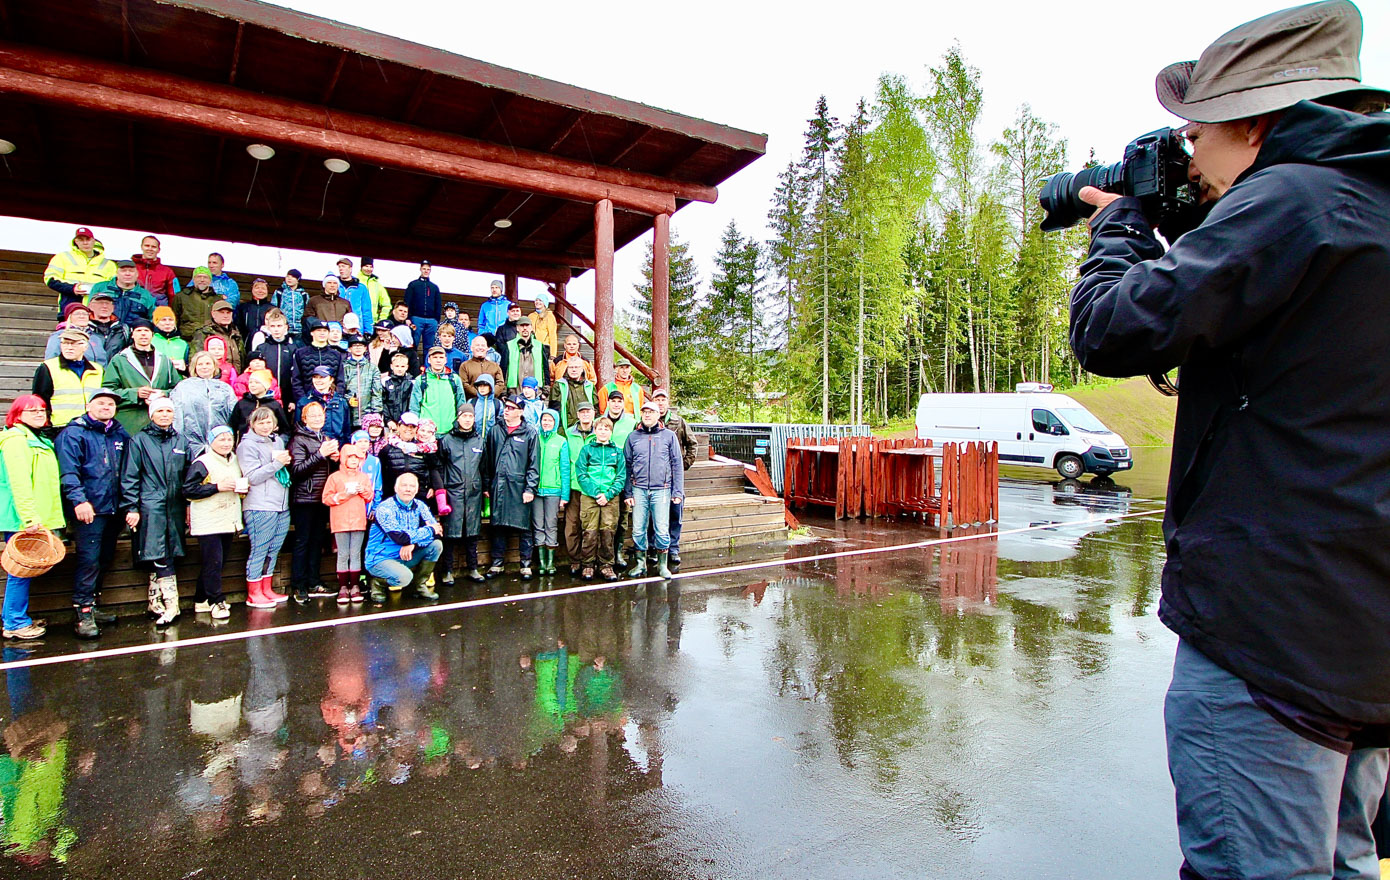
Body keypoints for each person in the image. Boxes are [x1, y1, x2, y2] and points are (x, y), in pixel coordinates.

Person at [1064, 4, 1390, 876]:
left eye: (1196, 129)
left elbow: (1110, 329)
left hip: (1271, 634)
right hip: (1360, 640)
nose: (1190, 155)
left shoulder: (1292, 200)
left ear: (1252, 123)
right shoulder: (1366, 206)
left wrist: (1121, 225)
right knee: (1348, 860)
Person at [55, 389, 129, 638]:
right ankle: (83, 611)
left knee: (105, 557)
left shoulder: (119, 433)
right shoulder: (74, 433)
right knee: (88, 559)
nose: (106, 407)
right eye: (101, 403)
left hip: (114, 508)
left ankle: (93, 604)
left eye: (110, 404)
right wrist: (79, 500)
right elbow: (69, 471)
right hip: (89, 509)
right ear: (89, 406)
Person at [119, 397, 189, 626]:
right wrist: (132, 507)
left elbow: (187, 475)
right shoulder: (139, 440)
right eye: (160, 410)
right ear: (151, 414)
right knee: (158, 552)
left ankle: (155, 601)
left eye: (169, 410)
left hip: (175, 506)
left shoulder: (181, 441)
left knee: (167, 551)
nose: (165, 414)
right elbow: (130, 476)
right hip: (150, 506)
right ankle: (172, 605)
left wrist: (187, 505)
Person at [0, 397, 63, 639]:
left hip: (30, 516)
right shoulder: (16, 440)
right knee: (20, 571)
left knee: (22, 571)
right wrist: (29, 518)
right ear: (17, 414)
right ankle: (15, 623)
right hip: (21, 518)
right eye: (31, 410)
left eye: (42, 410)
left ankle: (15, 617)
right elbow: (20, 482)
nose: (39, 413)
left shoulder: (34, 438)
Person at [182, 424, 242, 621]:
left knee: (218, 562)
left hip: (228, 517)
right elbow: (189, 490)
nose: (226, 443)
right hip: (209, 520)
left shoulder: (234, 461)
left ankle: (201, 599)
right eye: (221, 439)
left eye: (229, 439)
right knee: (213, 562)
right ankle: (217, 600)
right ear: (211, 441)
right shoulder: (202, 462)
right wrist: (216, 487)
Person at [236, 406, 291, 608]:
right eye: (261, 422)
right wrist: (277, 464)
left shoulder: (277, 440)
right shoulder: (246, 446)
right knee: (259, 548)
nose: (266, 426)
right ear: (252, 424)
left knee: (273, 548)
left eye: (269, 422)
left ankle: (266, 588)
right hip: (260, 504)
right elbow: (252, 476)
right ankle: (254, 591)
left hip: (281, 503)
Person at [624, 401, 683, 579]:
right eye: (645, 412)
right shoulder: (633, 437)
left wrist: (677, 492)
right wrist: (628, 492)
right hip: (638, 489)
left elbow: (677, 465)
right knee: (638, 529)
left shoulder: (669, 436)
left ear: (659, 415)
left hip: (662, 490)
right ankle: (640, 563)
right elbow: (626, 465)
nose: (648, 415)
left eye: (651, 412)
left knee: (661, 529)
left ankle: (662, 565)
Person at [289, 400, 340, 605]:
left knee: (317, 541)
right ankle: (298, 585)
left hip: (321, 498)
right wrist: (321, 454)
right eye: (313, 416)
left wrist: (334, 459)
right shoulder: (298, 440)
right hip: (304, 498)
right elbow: (297, 470)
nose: (318, 419)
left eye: (320, 415)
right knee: (303, 541)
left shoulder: (325, 438)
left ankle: (313, 580)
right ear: (305, 418)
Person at [482, 395, 539, 580]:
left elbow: (534, 463)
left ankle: (525, 564)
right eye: (506, 407)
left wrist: (530, 488)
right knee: (498, 525)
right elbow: (487, 460)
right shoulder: (495, 430)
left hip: (520, 485)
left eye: (512, 408)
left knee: (524, 526)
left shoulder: (530, 432)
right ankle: (497, 563)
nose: (507, 410)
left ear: (521, 411)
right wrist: (487, 484)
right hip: (498, 484)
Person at [365, 473, 443, 603]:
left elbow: (437, 532)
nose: (408, 489)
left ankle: (420, 585)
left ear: (417, 489)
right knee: (404, 577)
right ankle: (377, 583)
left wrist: (414, 545)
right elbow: (400, 538)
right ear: (396, 488)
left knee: (436, 545)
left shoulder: (420, 505)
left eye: (412, 486)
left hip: (407, 554)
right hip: (381, 557)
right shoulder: (385, 508)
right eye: (404, 485)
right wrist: (428, 530)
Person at [103, 318, 182, 435]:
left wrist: (163, 394)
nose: (143, 334)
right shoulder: (120, 360)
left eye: (146, 331)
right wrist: (135, 394)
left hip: (160, 422)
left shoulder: (164, 360)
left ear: (152, 335)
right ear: (132, 334)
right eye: (139, 331)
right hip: (130, 421)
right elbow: (108, 391)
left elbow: (178, 389)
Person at [438, 408, 488, 585]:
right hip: (453, 492)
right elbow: (441, 466)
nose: (467, 420)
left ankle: (473, 568)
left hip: (473, 492)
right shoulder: (447, 440)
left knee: (472, 533)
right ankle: (448, 571)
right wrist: (442, 490)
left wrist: (485, 488)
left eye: (470, 416)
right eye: (464, 416)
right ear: (458, 418)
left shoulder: (479, 440)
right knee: (451, 533)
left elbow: (484, 468)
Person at [575, 415, 625, 582]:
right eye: (600, 428)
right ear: (594, 431)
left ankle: (606, 565)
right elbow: (581, 474)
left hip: (610, 497)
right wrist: (596, 493)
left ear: (611, 432)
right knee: (589, 531)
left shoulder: (617, 452)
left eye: (606, 429)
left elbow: (621, 476)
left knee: (608, 531)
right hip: (590, 496)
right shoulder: (587, 450)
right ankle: (587, 564)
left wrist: (608, 494)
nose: (603, 431)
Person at [322, 445, 374, 605]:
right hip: (340, 521)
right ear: (344, 459)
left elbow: (370, 495)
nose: (353, 461)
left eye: (357, 458)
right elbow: (326, 498)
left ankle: (355, 586)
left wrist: (361, 490)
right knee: (343, 554)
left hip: (358, 520)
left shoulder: (364, 477)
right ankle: (343, 587)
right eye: (350, 458)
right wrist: (344, 495)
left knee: (355, 553)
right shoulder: (335, 477)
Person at [654, 388, 697, 570]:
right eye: (657, 399)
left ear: (667, 402)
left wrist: (683, 465)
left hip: (673, 478)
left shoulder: (678, 421)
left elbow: (692, 444)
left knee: (675, 512)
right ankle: (653, 548)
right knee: (653, 515)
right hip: (654, 477)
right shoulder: (646, 422)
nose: (661, 403)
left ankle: (673, 548)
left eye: (663, 399)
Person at [32, 328, 103, 430]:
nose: (69, 347)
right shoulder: (48, 367)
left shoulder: (98, 370)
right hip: (60, 427)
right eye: (64, 343)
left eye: (74, 343)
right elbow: (39, 400)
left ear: (85, 346)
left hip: (93, 426)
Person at [170, 350, 237, 457]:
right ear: (194, 367)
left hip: (220, 442)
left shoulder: (224, 388)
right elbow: (177, 415)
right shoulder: (183, 387)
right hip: (191, 444)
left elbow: (233, 414)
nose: (204, 367)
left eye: (208, 363)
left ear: (214, 366)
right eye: (200, 364)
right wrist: (178, 440)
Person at [531, 409, 570, 577]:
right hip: (536, 489)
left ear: (555, 422)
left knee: (551, 524)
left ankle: (550, 562)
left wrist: (565, 495)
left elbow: (565, 469)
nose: (546, 423)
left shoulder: (561, 441)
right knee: (537, 524)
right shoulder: (535, 439)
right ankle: (541, 562)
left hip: (554, 489)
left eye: (550, 420)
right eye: (544, 420)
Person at [601, 389, 638, 567]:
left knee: (622, 518)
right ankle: (603, 556)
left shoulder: (631, 422)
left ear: (623, 404)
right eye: (613, 401)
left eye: (619, 401)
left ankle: (618, 552)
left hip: (624, 477)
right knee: (605, 521)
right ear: (607, 402)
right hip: (604, 478)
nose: (616, 404)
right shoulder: (600, 422)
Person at [44, 226, 115, 313]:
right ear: (76, 242)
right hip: (69, 306)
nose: (85, 243)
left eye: (88, 239)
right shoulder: (62, 257)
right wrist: (72, 288)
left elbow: (114, 287)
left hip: (97, 311)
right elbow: (50, 280)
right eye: (81, 240)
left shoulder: (109, 264)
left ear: (93, 240)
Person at [563, 401, 596, 575]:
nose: (585, 415)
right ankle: (575, 560)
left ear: (593, 414)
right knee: (572, 527)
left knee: (589, 528)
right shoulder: (568, 434)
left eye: (588, 412)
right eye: (582, 412)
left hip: (591, 488)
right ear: (577, 415)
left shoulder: (599, 433)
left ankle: (588, 562)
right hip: (574, 486)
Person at [410, 347, 467, 435]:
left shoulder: (454, 379)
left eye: (441, 357)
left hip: (450, 430)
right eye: (435, 357)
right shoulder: (421, 380)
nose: (438, 360)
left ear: (445, 360)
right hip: (427, 432)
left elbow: (461, 403)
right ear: (429, 360)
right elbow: (414, 407)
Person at [250, 309, 297, 411]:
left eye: (279, 326)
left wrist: (293, 399)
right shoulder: (262, 348)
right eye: (273, 326)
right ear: (268, 327)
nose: (276, 329)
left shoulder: (292, 348)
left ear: (285, 327)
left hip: (286, 395)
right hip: (266, 394)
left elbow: (295, 375)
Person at [85, 260, 156, 327]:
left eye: (131, 271)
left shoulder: (145, 295)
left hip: (132, 335)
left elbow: (151, 318)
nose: (127, 274)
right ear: (116, 273)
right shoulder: (100, 287)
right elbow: (89, 310)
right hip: (101, 331)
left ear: (137, 274)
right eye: (123, 271)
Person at [291, 318, 345, 401]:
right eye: (319, 330)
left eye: (325, 331)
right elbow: (296, 380)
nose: (322, 333)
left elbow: (340, 380)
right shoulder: (300, 353)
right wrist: (303, 400)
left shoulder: (336, 355)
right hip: (307, 401)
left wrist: (336, 398)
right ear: (312, 333)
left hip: (331, 401)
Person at [380, 412, 431, 500]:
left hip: (419, 497)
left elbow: (433, 470)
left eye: (413, 427)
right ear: (399, 426)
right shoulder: (387, 449)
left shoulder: (424, 449)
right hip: (392, 497)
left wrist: (432, 487)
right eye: (406, 425)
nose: (409, 429)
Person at [229, 369, 290, 440]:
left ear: (266, 385)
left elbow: (285, 430)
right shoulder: (242, 403)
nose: (252, 385)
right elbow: (233, 426)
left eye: (257, 383)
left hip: (268, 444)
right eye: (250, 382)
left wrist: (279, 443)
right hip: (245, 443)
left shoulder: (274, 405)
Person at [297, 366, 352, 444]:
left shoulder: (341, 402)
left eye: (322, 377)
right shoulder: (304, 402)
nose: (318, 381)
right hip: (313, 447)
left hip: (337, 447)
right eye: (315, 377)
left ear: (331, 380)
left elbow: (346, 431)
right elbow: (298, 429)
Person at [340, 334, 382, 430]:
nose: (358, 348)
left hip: (367, 415)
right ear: (349, 349)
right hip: (348, 415)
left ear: (365, 348)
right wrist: (348, 399)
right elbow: (340, 388)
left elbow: (377, 392)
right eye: (355, 345)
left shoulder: (372, 368)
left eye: (361, 345)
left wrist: (376, 413)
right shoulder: (343, 367)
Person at [499, 316, 549, 395]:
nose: (525, 328)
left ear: (531, 328)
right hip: (514, 391)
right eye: (522, 326)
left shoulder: (539, 346)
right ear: (517, 328)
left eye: (527, 325)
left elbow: (545, 368)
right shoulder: (509, 346)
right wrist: (503, 392)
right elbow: (503, 370)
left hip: (536, 391)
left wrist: (545, 391)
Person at [191, 300, 244, 372]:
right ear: (213, 314)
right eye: (222, 313)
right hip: (214, 377)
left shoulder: (236, 333)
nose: (226, 316)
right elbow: (196, 359)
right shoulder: (204, 333)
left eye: (228, 313)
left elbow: (242, 358)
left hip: (235, 378)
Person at [549, 356, 596, 436]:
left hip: (588, 431)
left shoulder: (590, 386)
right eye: (571, 367)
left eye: (577, 367)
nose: (574, 370)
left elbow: (596, 408)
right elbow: (555, 410)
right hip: (566, 430)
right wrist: (561, 432)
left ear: (582, 369)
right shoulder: (559, 385)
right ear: (567, 369)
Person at [404, 260, 442, 355]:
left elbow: (438, 304)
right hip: (416, 319)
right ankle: (413, 367)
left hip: (431, 321)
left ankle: (427, 367)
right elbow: (407, 301)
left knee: (429, 347)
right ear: (420, 269)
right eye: (424, 268)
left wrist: (436, 320)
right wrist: (408, 318)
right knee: (413, 344)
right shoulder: (413, 285)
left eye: (428, 269)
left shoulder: (434, 287)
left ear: (430, 271)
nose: (426, 271)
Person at [174, 266, 222, 340]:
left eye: (205, 277)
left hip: (210, 340)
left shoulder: (217, 300)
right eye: (199, 277)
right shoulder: (182, 296)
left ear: (210, 280)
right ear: (193, 279)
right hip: (187, 339)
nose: (202, 280)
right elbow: (174, 318)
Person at [131, 235, 180, 308]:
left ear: (158, 250)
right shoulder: (131, 268)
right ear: (142, 247)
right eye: (147, 246)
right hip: (133, 311)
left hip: (158, 312)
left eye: (154, 247)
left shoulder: (167, 272)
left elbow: (174, 296)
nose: (150, 249)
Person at [83, 289, 131, 364]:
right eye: (100, 303)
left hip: (115, 372)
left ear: (113, 308)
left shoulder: (124, 329)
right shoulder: (83, 328)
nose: (104, 306)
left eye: (108, 303)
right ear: (90, 306)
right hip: (90, 372)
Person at [460, 334, 506, 399]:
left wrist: (491, 394)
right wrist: (480, 394)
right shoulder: (465, 366)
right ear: (471, 348)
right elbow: (464, 384)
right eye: (477, 345)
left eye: (483, 345)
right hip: (472, 402)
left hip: (491, 401)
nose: (480, 347)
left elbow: (500, 383)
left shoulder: (495, 366)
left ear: (487, 348)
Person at [235, 278, 276, 348]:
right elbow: (238, 327)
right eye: (257, 288)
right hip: (246, 344)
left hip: (267, 344)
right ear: (252, 290)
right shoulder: (243, 308)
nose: (260, 291)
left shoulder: (273, 309)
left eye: (263, 288)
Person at [151, 306, 189, 374]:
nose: (168, 323)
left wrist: (185, 368)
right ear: (156, 323)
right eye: (163, 320)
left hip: (178, 381)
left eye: (171, 320)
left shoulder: (183, 344)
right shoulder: (150, 341)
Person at [381, 352, 415, 428]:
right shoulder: (385, 382)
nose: (400, 369)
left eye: (402, 366)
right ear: (391, 366)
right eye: (397, 366)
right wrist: (388, 420)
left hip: (407, 422)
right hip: (389, 423)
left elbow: (413, 404)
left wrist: (408, 420)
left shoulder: (412, 383)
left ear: (407, 367)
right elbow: (383, 402)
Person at [356, 258, 393, 324]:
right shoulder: (355, 282)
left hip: (372, 322)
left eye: (371, 267)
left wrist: (382, 318)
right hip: (356, 321)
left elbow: (387, 304)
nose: (368, 269)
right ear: (361, 267)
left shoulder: (377, 285)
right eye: (366, 266)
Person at [274, 270, 307, 345]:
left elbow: (306, 310)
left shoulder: (303, 294)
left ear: (298, 279)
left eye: (293, 277)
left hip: (299, 331)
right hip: (283, 330)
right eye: (288, 276)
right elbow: (274, 310)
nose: (289, 279)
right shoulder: (279, 292)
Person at [334, 258, 370, 324]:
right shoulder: (334, 285)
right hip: (337, 325)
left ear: (350, 268)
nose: (341, 269)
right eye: (339, 267)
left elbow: (366, 310)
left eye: (343, 266)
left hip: (355, 325)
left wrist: (368, 330)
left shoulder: (361, 288)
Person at [530, 288, 558, 356]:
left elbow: (552, 335)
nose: (538, 302)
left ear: (545, 303)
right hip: (532, 346)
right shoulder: (531, 316)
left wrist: (553, 354)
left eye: (540, 300)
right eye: (536, 300)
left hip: (544, 346)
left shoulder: (549, 316)